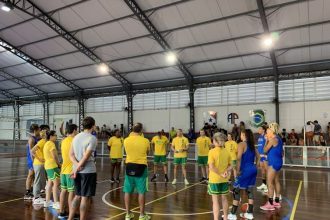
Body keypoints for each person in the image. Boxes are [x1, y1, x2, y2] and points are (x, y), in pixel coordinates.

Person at [69, 117, 97, 220]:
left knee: (77, 196)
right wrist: (78, 167)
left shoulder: (75, 137)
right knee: (85, 198)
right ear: (93, 126)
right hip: (88, 171)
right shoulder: (92, 138)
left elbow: (71, 155)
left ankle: (70, 218)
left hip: (77, 170)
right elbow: (86, 157)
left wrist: (76, 166)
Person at [228, 129, 259, 220]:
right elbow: (259, 156)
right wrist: (255, 166)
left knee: (236, 191)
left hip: (245, 170)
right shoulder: (252, 145)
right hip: (253, 169)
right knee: (249, 190)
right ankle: (249, 213)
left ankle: (233, 214)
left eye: (241, 134)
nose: (240, 135)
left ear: (244, 135)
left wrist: (237, 171)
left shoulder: (241, 144)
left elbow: (238, 159)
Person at [123, 123, 150, 220]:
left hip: (129, 166)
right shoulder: (146, 141)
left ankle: (127, 214)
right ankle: (142, 215)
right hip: (141, 167)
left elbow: (126, 152)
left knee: (127, 191)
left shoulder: (126, 140)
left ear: (132, 130)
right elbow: (147, 152)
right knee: (141, 192)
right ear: (141, 130)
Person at [208, 132, 231, 220]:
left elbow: (211, 167)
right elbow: (231, 165)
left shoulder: (211, 152)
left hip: (214, 179)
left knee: (215, 201)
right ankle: (225, 218)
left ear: (214, 141)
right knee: (224, 199)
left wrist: (221, 173)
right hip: (224, 179)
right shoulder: (227, 151)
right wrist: (226, 171)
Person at [260, 123, 283, 211]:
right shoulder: (278, 138)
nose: (267, 130)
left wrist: (266, 140)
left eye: (269, 129)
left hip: (273, 163)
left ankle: (270, 203)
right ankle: (276, 201)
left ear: (272, 130)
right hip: (278, 162)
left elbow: (264, 150)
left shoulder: (273, 139)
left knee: (269, 182)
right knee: (276, 181)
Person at [58, 124, 78, 219]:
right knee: (71, 192)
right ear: (74, 131)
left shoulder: (63, 141)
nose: (77, 132)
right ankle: (71, 213)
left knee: (63, 191)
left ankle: (61, 211)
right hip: (71, 171)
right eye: (76, 130)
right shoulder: (74, 141)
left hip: (63, 169)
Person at [31, 125, 49, 205]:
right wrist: (39, 158)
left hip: (41, 164)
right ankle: (36, 198)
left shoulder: (44, 141)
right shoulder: (42, 141)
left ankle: (37, 196)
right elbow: (32, 151)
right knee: (37, 180)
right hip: (39, 164)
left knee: (40, 180)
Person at [43, 130, 61, 209]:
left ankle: (47, 201)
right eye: (55, 135)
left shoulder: (46, 143)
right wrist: (59, 164)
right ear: (51, 136)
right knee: (56, 184)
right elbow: (54, 156)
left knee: (50, 184)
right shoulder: (51, 144)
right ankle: (56, 202)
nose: (56, 136)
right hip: (52, 166)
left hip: (47, 166)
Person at [24, 124, 40, 200]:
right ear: (35, 130)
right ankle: (27, 192)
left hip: (35, 159)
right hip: (32, 160)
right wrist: (33, 161)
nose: (39, 131)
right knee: (30, 175)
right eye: (38, 130)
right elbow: (31, 151)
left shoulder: (36, 138)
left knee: (34, 176)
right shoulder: (31, 139)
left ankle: (33, 191)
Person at [256, 126, 268, 193]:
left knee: (267, 171)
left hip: (264, 156)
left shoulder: (265, 136)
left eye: (260, 128)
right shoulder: (260, 137)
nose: (258, 129)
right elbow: (259, 146)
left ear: (263, 130)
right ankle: (264, 184)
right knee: (263, 171)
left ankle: (269, 186)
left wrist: (265, 154)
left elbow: (266, 145)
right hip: (260, 155)